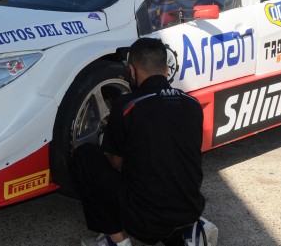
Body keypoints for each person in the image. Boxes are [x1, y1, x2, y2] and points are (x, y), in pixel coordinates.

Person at [74, 38, 205, 246]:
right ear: (166, 68)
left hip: (144, 224)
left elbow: (116, 162)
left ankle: (117, 240)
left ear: (132, 70)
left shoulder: (127, 106)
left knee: (86, 156)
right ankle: (188, 232)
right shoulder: (192, 104)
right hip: (190, 211)